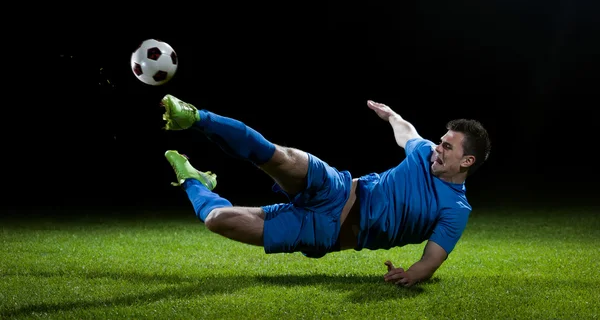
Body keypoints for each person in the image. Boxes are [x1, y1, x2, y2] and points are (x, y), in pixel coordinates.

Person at [160, 94, 491, 287]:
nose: (438, 149)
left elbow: (431, 260)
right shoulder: (423, 153)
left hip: (325, 231)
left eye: (447, 147)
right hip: (337, 189)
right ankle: (196, 117)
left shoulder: (455, 210)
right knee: (280, 156)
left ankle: (195, 181)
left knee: (217, 219)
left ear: (467, 161)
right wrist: (392, 115)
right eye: (440, 141)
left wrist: (410, 275)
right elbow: (408, 132)